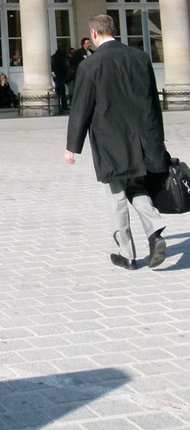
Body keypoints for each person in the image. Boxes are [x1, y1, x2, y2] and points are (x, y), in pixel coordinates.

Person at [65, 14, 168, 271]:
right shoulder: (140, 58)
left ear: (95, 34)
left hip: (112, 141)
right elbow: (154, 103)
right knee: (137, 187)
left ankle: (127, 255)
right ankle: (155, 232)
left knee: (117, 194)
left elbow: (81, 108)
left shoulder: (91, 65)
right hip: (143, 138)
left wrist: (71, 146)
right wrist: (158, 140)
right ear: (114, 30)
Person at [51, 47, 72, 113]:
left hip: (57, 75)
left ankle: (62, 105)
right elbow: (63, 66)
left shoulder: (54, 57)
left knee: (60, 90)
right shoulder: (60, 58)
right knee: (60, 90)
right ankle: (62, 105)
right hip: (59, 75)